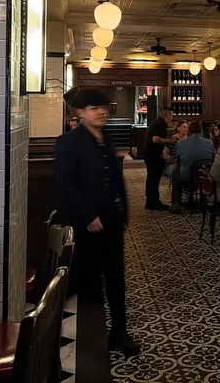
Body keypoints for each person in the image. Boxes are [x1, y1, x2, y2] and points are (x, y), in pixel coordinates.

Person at [54, 88, 139, 355]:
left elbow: (115, 179)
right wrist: (88, 215)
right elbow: (65, 184)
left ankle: (119, 332)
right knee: (89, 280)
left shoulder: (107, 138)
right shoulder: (69, 142)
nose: (101, 111)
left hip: (111, 220)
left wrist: (123, 211)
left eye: (103, 107)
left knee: (116, 278)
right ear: (80, 113)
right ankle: (90, 339)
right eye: (94, 108)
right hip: (85, 224)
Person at [170, 121, 216, 213]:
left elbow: (178, 161)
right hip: (205, 176)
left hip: (186, 176)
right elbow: (213, 159)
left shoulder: (181, 143)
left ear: (189, 131)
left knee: (175, 172)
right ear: (201, 131)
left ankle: (176, 204)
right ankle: (204, 201)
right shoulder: (210, 143)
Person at [143, 107, 175, 210]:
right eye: (172, 115)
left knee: (152, 178)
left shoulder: (157, 122)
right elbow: (155, 139)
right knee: (154, 179)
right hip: (153, 156)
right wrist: (168, 141)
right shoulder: (160, 124)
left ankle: (150, 202)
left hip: (150, 155)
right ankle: (154, 203)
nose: (172, 118)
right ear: (168, 115)